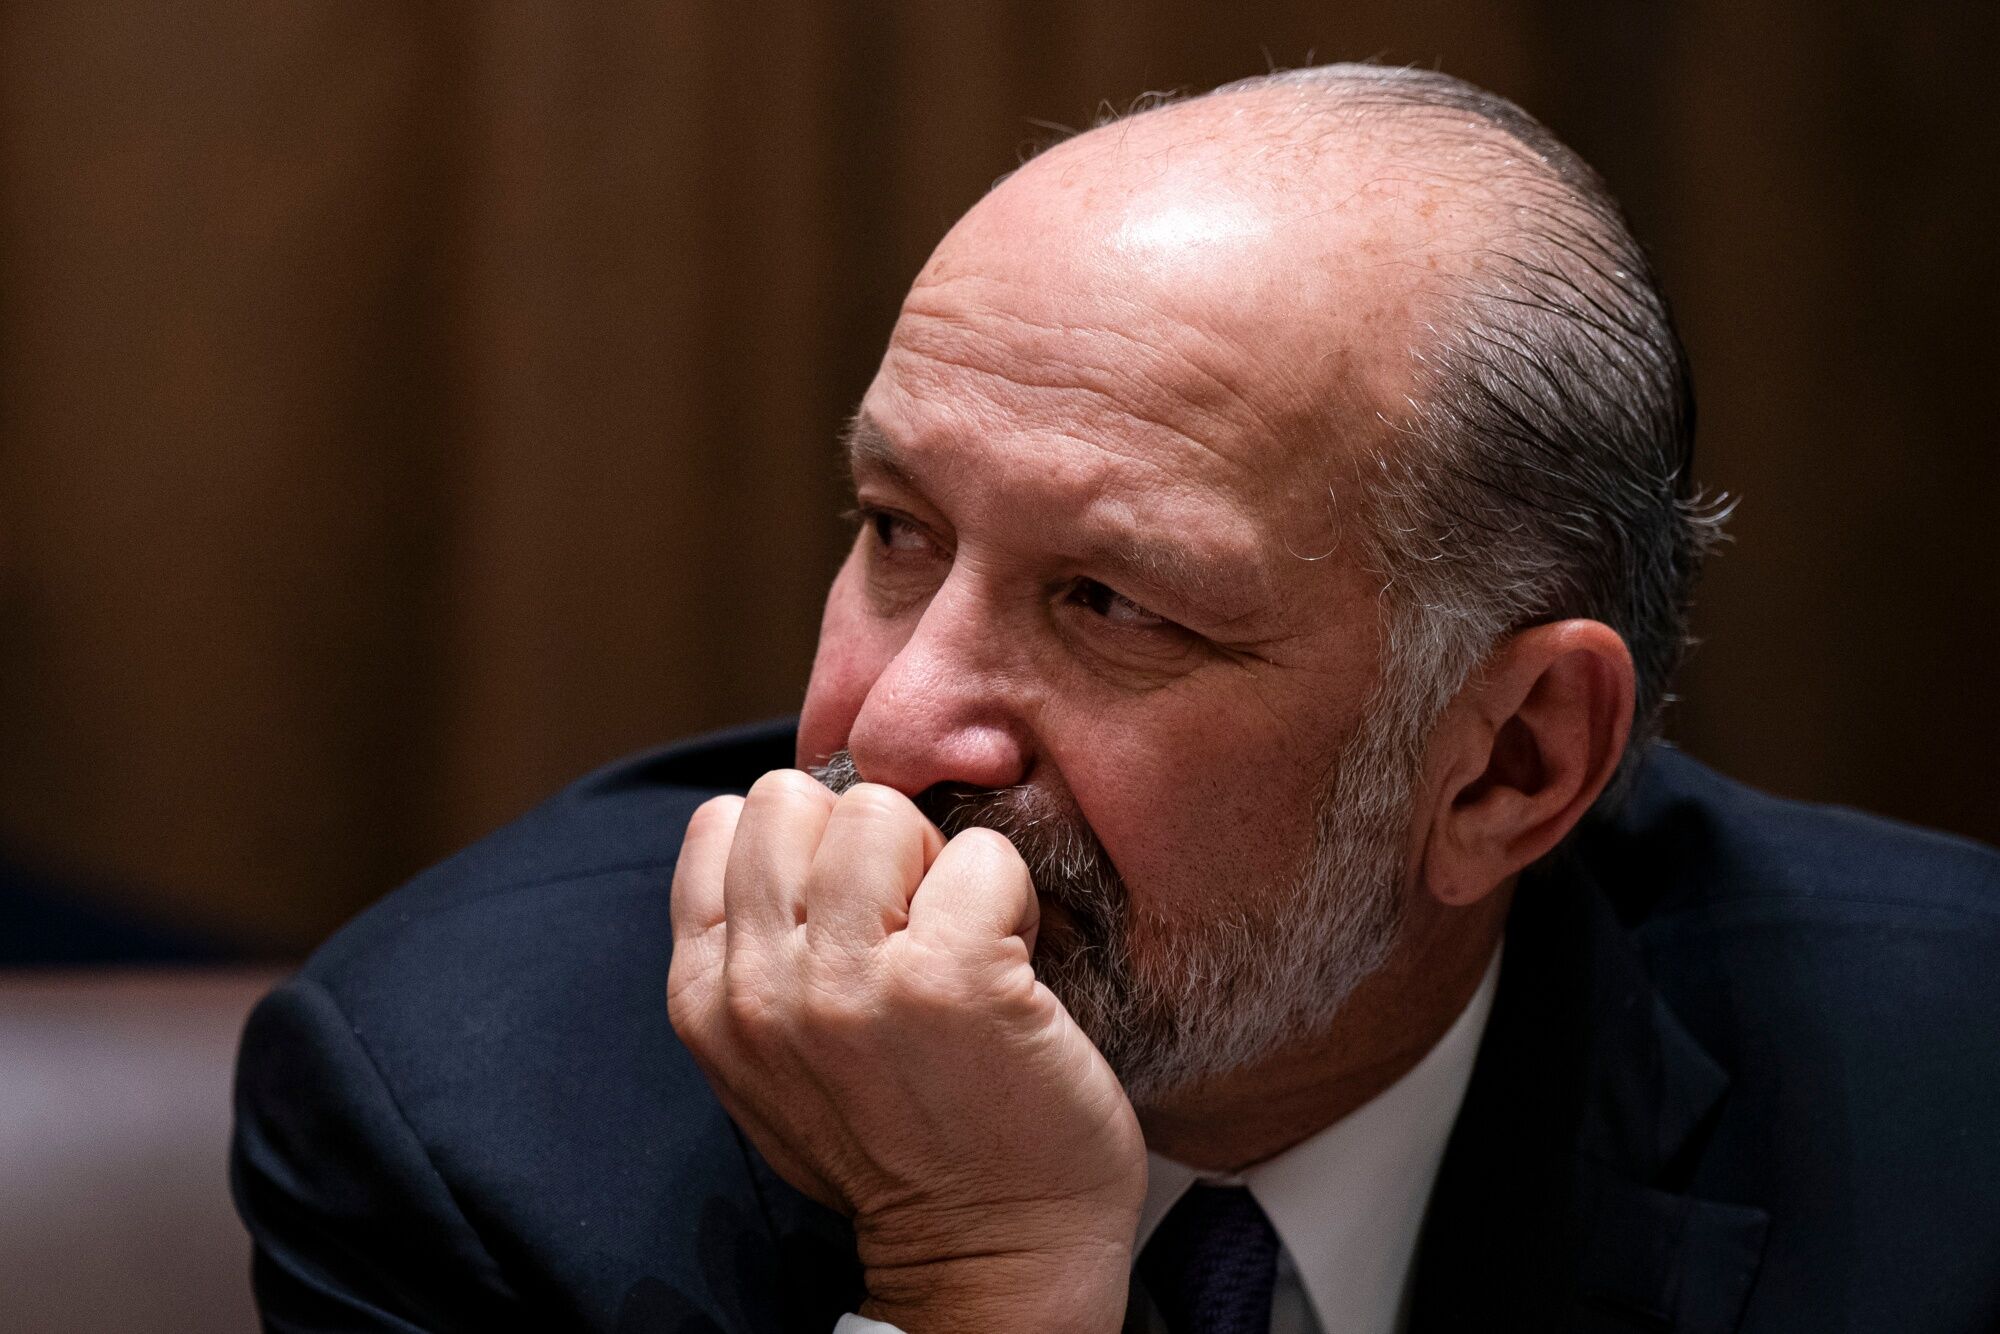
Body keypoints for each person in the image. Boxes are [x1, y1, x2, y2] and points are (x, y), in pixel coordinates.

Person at [231, 64, 2000, 1334]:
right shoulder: (475, 1131)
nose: (905, 727)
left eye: (1109, 603)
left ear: (1508, 767)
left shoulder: (1951, 1101)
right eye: (896, 531)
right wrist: (977, 1276)